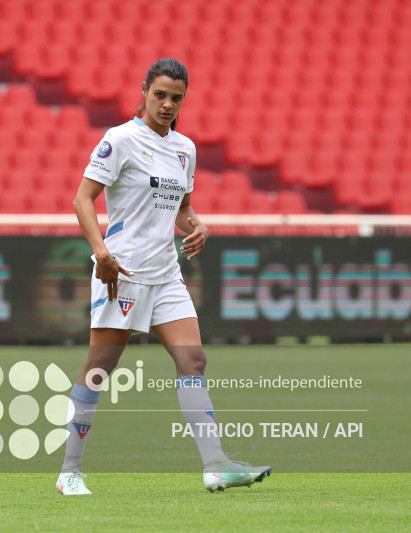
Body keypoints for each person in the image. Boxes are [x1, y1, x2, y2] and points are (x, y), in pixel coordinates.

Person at [56, 58, 271, 495]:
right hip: (124, 273)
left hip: (166, 275)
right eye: (160, 95)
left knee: (193, 361)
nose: (167, 104)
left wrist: (198, 225)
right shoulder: (119, 140)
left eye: (176, 97)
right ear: (144, 90)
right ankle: (69, 472)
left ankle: (215, 465)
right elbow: (82, 200)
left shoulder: (184, 149)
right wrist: (101, 252)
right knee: (100, 369)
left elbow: (183, 208)